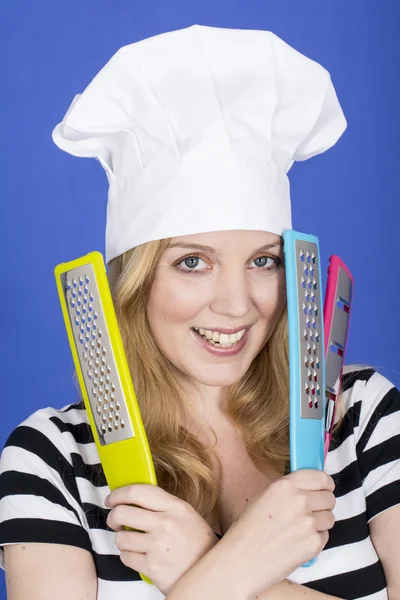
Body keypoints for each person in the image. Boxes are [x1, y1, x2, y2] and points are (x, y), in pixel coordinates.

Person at [1, 24, 399, 600]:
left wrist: (205, 566)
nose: (238, 305)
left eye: (264, 262)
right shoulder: (52, 460)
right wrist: (231, 571)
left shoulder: (364, 419)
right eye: (193, 263)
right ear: (136, 282)